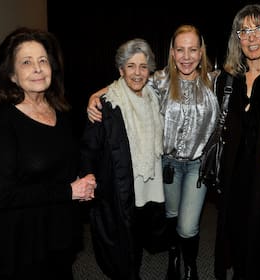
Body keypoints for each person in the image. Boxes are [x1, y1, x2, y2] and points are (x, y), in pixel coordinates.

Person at [86, 24, 220, 280]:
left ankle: (190, 266)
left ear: (201, 52)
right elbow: (124, 82)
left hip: (198, 167)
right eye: (180, 50)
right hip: (167, 165)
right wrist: (94, 96)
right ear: (172, 52)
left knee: (187, 224)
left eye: (193, 49)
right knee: (170, 216)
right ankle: (174, 256)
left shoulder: (215, 81)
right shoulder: (159, 80)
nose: (187, 56)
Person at [0, 27, 96, 280]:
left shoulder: (60, 110)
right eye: (26, 62)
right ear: (11, 75)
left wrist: (84, 180)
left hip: (58, 232)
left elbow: (64, 165)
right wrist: (69, 191)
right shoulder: (1, 123)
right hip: (21, 241)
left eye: (43, 60)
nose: (37, 68)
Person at [79, 38, 166, 280]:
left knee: (138, 226)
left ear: (149, 70)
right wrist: (88, 176)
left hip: (147, 179)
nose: (137, 73)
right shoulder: (105, 104)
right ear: (120, 70)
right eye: (131, 66)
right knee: (122, 234)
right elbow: (89, 147)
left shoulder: (154, 96)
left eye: (143, 66)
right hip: (118, 182)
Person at [212, 4, 260, 280]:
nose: (251, 37)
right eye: (244, 31)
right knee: (235, 235)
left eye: (259, 29)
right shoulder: (227, 79)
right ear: (237, 38)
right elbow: (169, 80)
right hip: (233, 176)